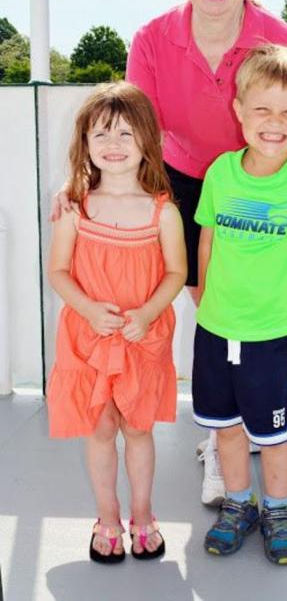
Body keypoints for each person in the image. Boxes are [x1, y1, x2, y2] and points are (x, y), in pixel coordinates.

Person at [52, 0, 287, 506]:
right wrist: (78, 178)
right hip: (185, 178)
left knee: (270, 297)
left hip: (261, 181)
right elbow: (132, 124)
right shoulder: (153, 39)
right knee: (209, 301)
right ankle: (221, 433)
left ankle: (270, 416)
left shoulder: (282, 39)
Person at [192, 43, 287, 565]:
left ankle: (277, 509)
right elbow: (207, 240)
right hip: (215, 331)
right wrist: (207, 298)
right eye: (262, 110)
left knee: (272, 436)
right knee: (226, 428)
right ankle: (239, 503)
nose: (274, 123)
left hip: (274, 337)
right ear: (239, 111)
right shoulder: (220, 173)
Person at [47, 82, 187, 564]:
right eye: (101, 133)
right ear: (84, 142)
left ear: (148, 141)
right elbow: (59, 272)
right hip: (87, 338)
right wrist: (87, 308)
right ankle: (107, 517)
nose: (113, 144)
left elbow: (176, 272)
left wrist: (147, 313)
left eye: (126, 133)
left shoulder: (162, 210)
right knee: (101, 427)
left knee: (138, 427)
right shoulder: (75, 207)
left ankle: (143, 515)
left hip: (142, 338)